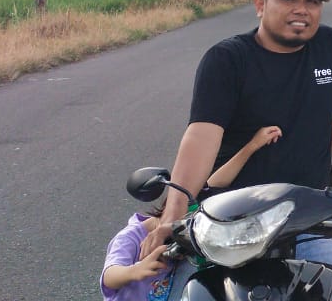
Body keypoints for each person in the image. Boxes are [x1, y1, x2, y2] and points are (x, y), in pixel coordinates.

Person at [139, 0, 332, 301]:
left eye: (312, 0)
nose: (301, 9)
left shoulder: (326, 43)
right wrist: (174, 215)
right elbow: (200, 139)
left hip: (310, 216)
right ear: (260, 4)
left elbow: (328, 119)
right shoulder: (228, 59)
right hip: (232, 222)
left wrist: (324, 188)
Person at [100, 126, 280, 300]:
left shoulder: (189, 230)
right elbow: (109, 275)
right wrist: (135, 270)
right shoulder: (132, 235)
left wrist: (252, 146)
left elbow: (215, 183)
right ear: (169, 205)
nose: (184, 224)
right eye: (182, 213)